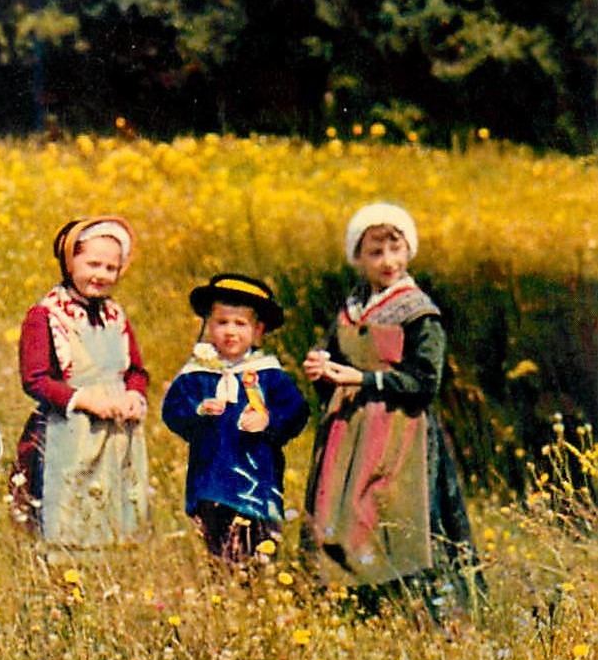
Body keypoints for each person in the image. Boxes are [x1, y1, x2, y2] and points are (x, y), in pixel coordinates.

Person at [300, 203, 479, 615]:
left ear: (408, 251)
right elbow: (335, 355)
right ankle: (351, 602)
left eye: (395, 250)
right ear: (358, 258)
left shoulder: (418, 312)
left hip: (400, 431)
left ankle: (416, 606)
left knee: (394, 513)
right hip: (349, 433)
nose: (387, 262)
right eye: (375, 253)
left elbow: (425, 382)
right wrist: (321, 367)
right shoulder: (353, 307)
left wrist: (364, 380)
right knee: (342, 513)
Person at [11, 216, 150, 547]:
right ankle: (63, 568)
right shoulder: (46, 315)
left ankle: (115, 568)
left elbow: (135, 370)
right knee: (68, 512)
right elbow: (35, 379)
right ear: (70, 261)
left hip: (116, 431)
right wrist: (85, 400)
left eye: (111, 268)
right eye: (93, 264)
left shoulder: (115, 316)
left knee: (116, 509)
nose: (101, 275)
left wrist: (134, 395)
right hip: (68, 428)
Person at [160, 273, 309, 563]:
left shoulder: (268, 373)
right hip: (211, 479)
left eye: (240, 324)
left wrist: (268, 421)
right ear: (208, 324)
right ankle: (222, 586)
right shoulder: (198, 373)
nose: (230, 332)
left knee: (259, 548)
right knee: (218, 549)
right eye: (222, 322)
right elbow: (173, 410)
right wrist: (199, 411)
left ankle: (258, 586)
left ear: (258, 330)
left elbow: (296, 412)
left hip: (258, 479)